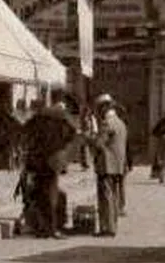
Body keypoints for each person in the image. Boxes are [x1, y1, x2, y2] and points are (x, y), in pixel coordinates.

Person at [20, 97, 77, 238]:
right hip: (53, 161)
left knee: (40, 194)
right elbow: (72, 133)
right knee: (51, 194)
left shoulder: (36, 120)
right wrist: (61, 146)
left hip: (38, 161)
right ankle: (52, 228)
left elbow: (24, 134)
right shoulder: (61, 119)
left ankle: (42, 228)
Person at [86, 94, 128, 236]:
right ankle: (112, 225)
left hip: (107, 165)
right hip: (118, 166)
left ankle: (107, 228)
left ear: (104, 108)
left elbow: (99, 143)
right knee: (114, 197)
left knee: (106, 197)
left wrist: (88, 137)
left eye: (99, 108)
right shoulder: (120, 123)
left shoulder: (107, 123)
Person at [150, 108, 165, 182]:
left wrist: (159, 135)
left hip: (162, 140)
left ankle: (161, 176)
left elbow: (154, 131)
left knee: (161, 158)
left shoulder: (162, 121)